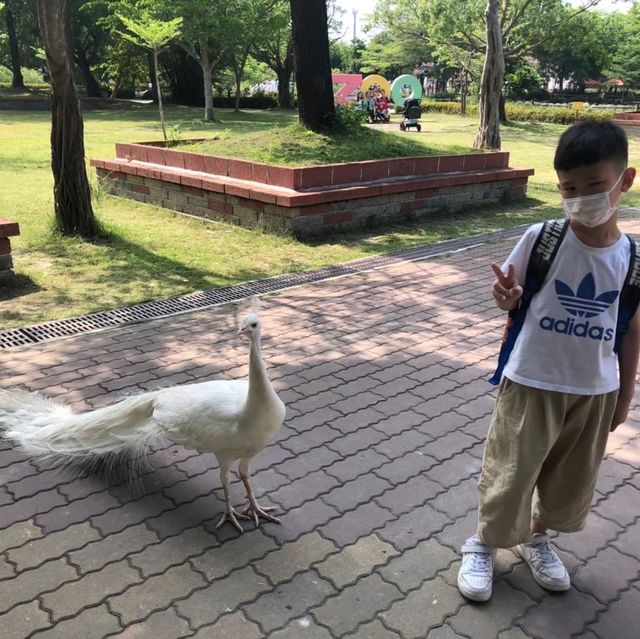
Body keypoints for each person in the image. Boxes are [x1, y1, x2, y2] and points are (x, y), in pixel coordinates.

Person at [457, 119, 640, 602]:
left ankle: (536, 538)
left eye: (594, 186)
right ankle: (483, 545)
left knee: (567, 480)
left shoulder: (632, 258)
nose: (582, 198)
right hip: (532, 381)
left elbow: (630, 331)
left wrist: (624, 395)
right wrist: (505, 295)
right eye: (569, 189)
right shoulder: (544, 238)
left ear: (626, 180)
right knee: (510, 472)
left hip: (593, 392)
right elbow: (510, 294)